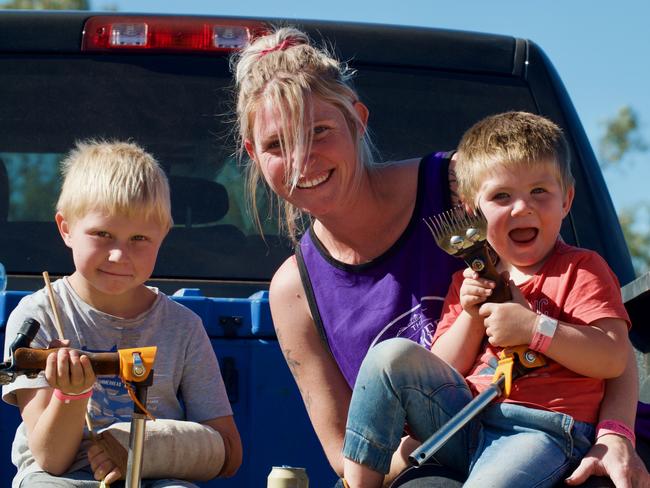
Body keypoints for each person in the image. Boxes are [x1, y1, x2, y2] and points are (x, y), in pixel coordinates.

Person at [232, 27, 646, 486]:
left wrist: (615, 434)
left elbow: (609, 340)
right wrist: (416, 448)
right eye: (275, 144)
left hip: (558, 426)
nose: (300, 159)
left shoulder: (464, 188)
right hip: (438, 449)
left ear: (358, 118)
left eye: (319, 131)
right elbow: (343, 449)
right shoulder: (293, 289)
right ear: (252, 153)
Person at [341, 111, 632, 487]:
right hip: (465, 418)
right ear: (471, 210)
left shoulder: (582, 269)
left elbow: (612, 357)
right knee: (389, 355)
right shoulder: (468, 278)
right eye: (501, 196)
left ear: (567, 200)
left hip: (541, 430)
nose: (522, 207)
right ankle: (358, 482)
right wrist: (470, 316)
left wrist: (534, 329)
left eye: (539, 192)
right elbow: (445, 366)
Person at [1, 141, 242, 487]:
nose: (118, 255)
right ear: (66, 228)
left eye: (139, 238)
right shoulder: (38, 315)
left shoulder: (184, 328)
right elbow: (51, 459)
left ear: (163, 237)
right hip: (62, 477)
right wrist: (71, 393)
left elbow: (229, 452)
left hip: (156, 476)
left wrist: (142, 452)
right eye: (103, 234)